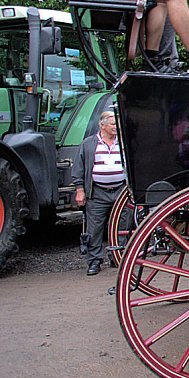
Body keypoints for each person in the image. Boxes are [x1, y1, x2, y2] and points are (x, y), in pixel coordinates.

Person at [72, 111, 126, 276]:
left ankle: (118, 256)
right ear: (102, 125)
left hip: (121, 190)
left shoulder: (123, 143)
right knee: (94, 228)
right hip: (98, 192)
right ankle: (94, 261)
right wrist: (80, 190)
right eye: (112, 124)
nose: (116, 127)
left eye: (117, 123)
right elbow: (78, 169)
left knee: (122, 225)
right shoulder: (88, 144)